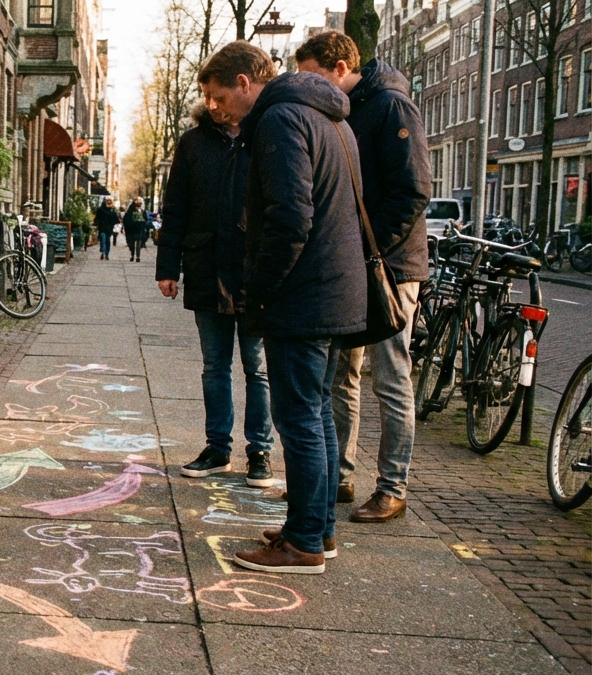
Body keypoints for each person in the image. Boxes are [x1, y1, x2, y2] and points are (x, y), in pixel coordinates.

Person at [230, 68, 368, 575]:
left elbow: (290, 215)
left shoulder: (280, 120)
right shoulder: (331, 119)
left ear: (244, 82)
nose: (216, 107)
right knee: (319, 415)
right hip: (336, 288)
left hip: (304, 294)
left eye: (217, 95)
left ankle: (304, 541)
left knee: (300, 418)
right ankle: (317, 528)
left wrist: (260, 291)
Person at [295, 32, 432, 524]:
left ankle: (393, 487)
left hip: (392, 267)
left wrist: (374, 249)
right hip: (355, 263)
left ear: (337, 67)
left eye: (310, 74)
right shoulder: (343, 110)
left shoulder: (391, 105)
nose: (304, 85)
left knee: (391, 375)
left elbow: (413, 190)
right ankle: (341, 476)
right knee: (342, 374)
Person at [158, 41, 277, 488]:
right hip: (207, 265)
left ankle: (260, 451)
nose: (212, 106)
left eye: (218, 98)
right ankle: (218, 447)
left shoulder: (268, 134)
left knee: (258, 366)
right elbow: (177, 208)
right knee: (213, 365)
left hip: (254, 271)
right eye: (206, 99)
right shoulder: (192, 143)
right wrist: (168, 265)